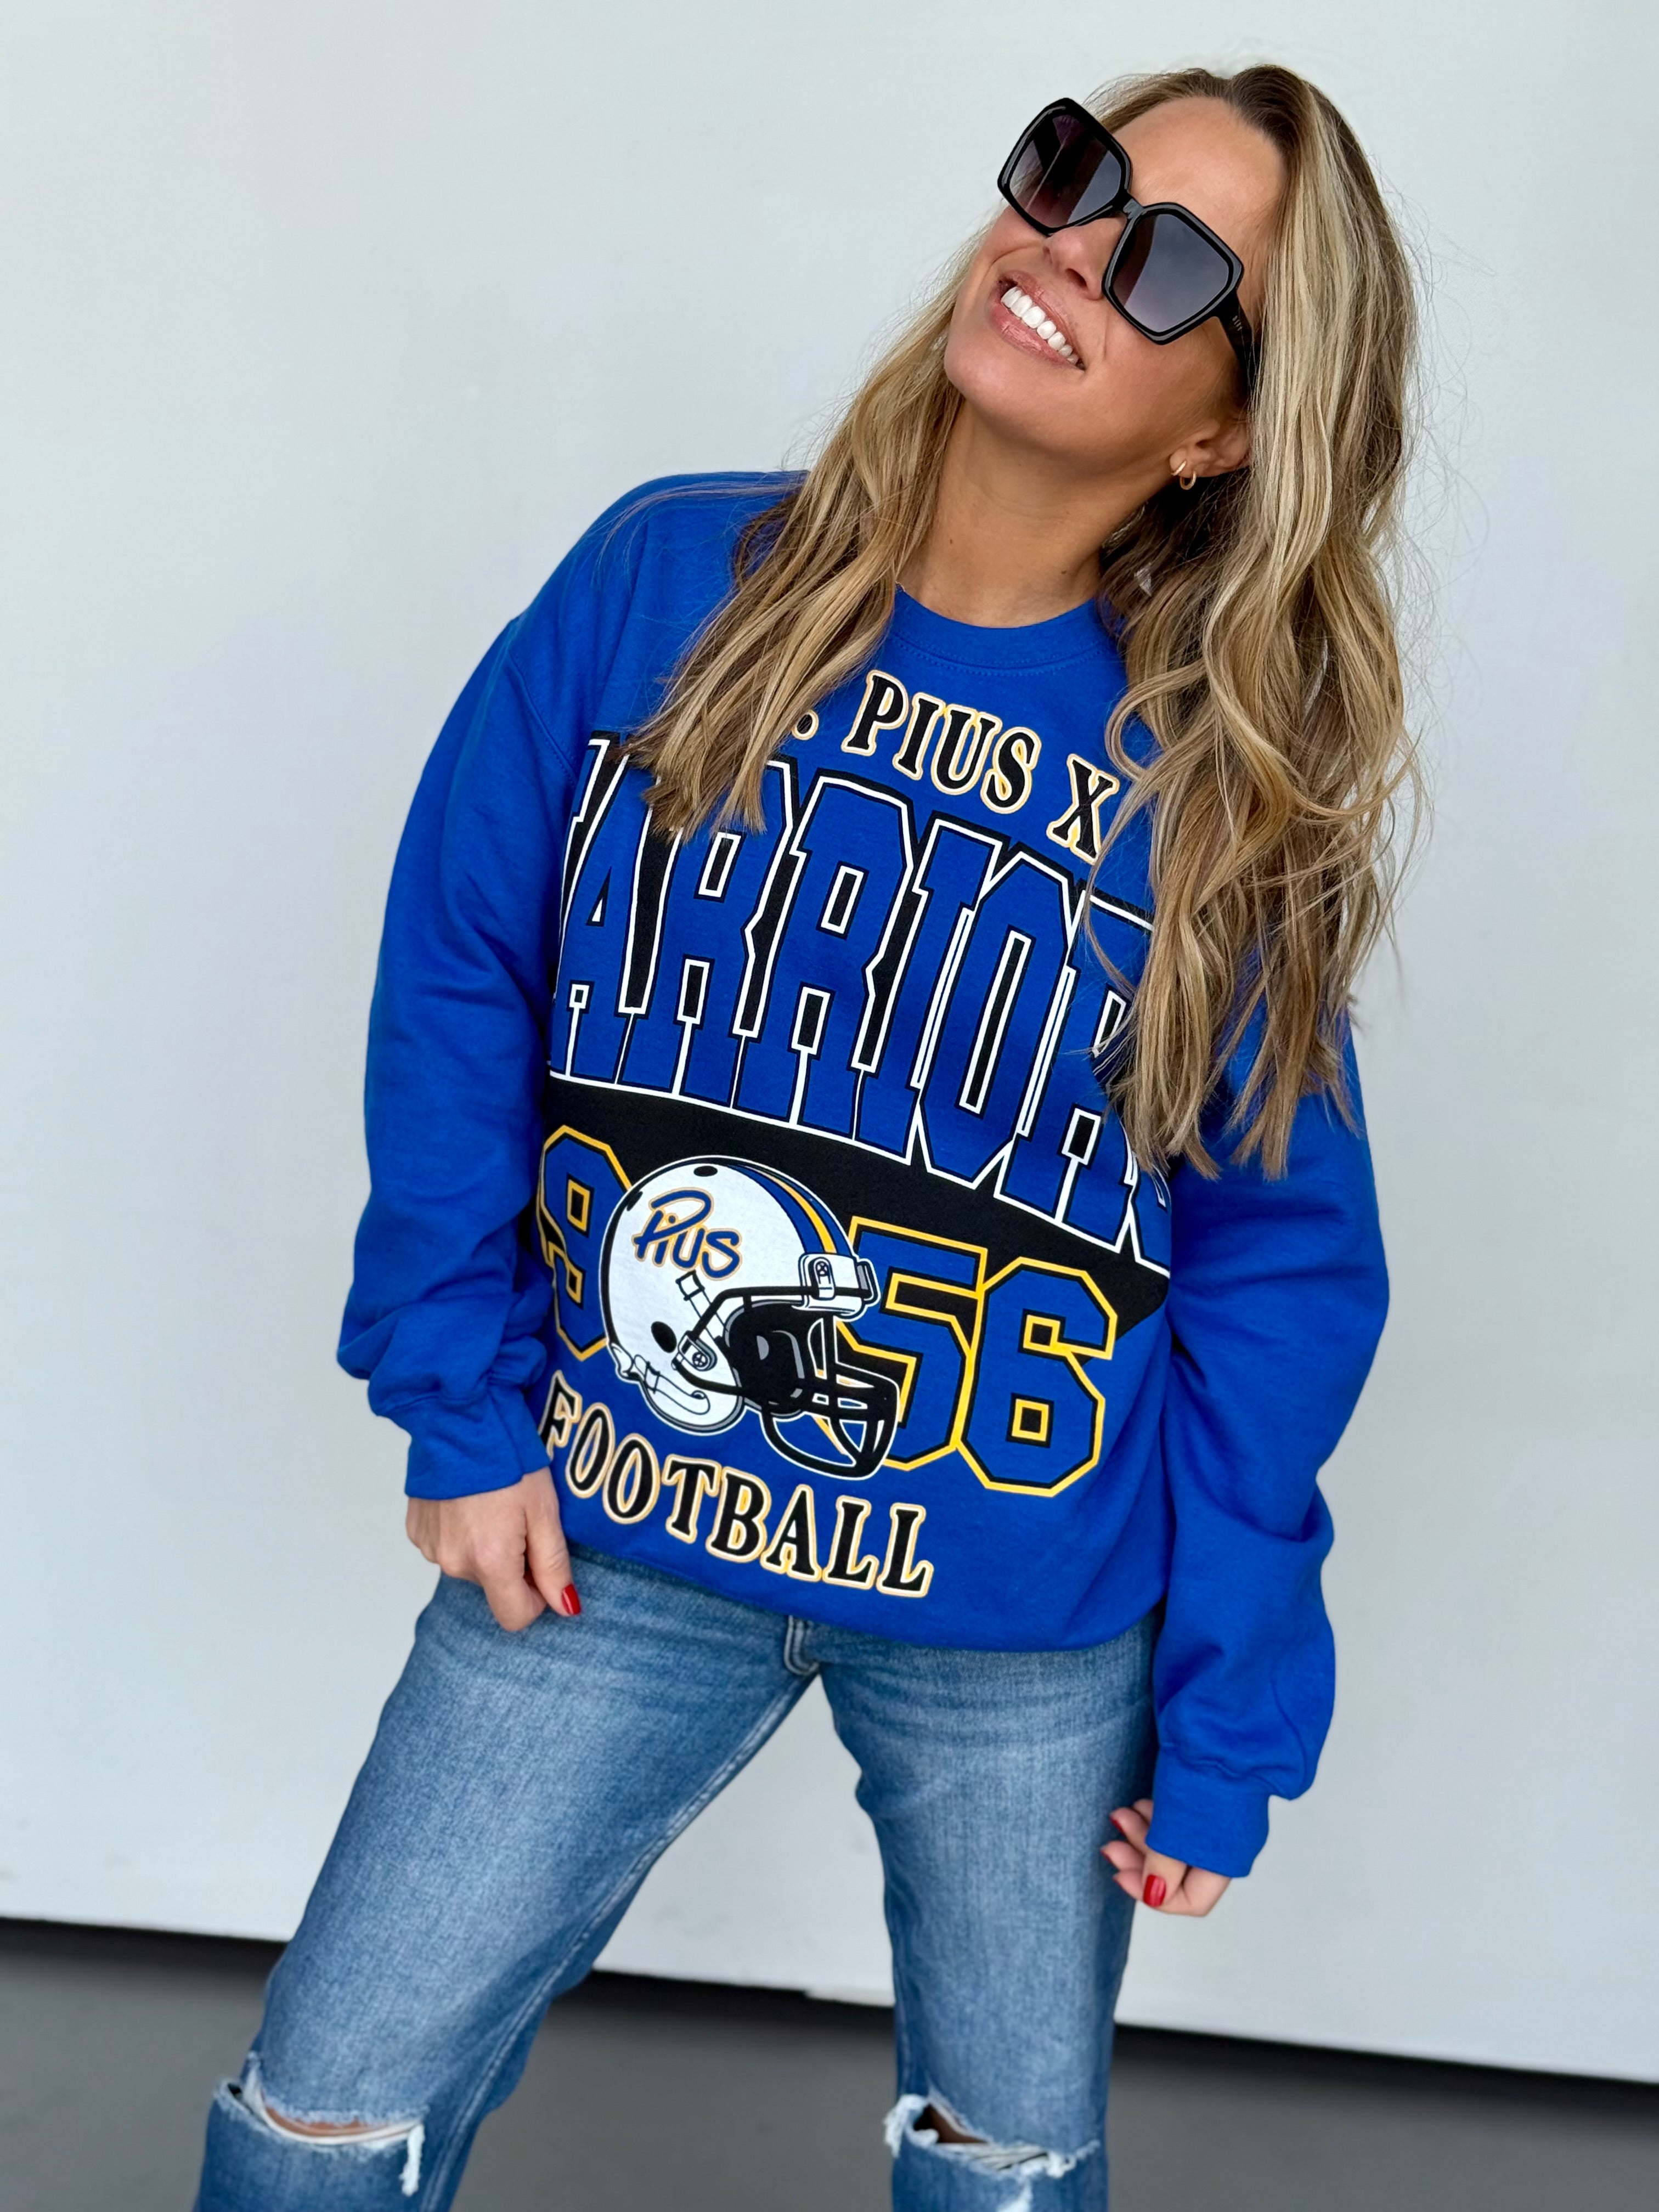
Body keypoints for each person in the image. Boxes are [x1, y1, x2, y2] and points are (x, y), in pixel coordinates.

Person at [197, 61, 1418, 2212]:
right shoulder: (673, 576)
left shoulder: (1219, 787)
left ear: (1229, 429)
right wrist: (460, 1403)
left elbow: (1279, 1267)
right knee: (319, 2118)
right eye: (1074, 174)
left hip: (1022, 1625)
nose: (1070, 245)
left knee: (1004, 2166)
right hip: (612, 1533)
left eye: (1166, 263)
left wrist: (1230, 1712)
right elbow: (464, 969)